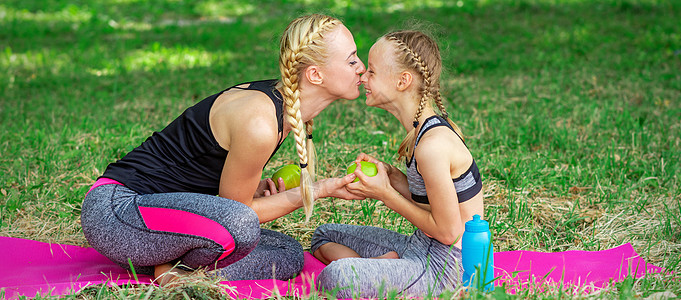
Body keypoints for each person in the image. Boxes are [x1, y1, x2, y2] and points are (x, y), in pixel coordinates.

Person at [80, 14, 366, 285]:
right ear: (315, 75)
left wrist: (253, 188)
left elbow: (218, 189)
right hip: (118, 213)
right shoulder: (260, 122)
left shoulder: (281, 107)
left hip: (165, 223)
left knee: (287, 252)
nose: (361, 68)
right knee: (241, 225)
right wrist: (318, 190)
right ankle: (173, 267)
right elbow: (239, 215)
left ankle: (176, 267)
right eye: (352, 60)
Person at [311, 30, 485, 298]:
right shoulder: (421, 132)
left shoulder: (432, 146)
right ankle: (386, 269)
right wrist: (392, 176)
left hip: (444, 268)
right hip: (420, 245)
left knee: (337, 278)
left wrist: (385, 195)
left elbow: (449, 232)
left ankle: (383, 271)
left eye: (372, 71)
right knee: (324, 235)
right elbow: (430, 200)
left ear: (403, 81)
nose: (363, 77)